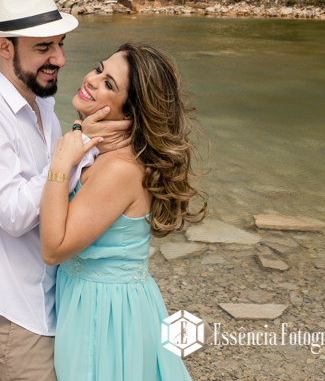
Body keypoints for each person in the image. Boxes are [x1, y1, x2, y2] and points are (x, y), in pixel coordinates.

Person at [0, 0, 128, 381]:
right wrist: (74, 151)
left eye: (60, 44)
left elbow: (61, 191)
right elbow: (13, 214)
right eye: (43, 48)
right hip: (13, 308)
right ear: (3, 47)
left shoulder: (44, 105)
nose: (59, 59)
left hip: (53, 299)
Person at [40, 43, 207, 381]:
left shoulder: (121, 168)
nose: (91, 79)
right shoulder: (101, 149)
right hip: (92, 301)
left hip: (107, 315)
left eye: (109, 84)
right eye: (99, 69)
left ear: (131, 112)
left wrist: (59, 163)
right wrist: (78, 134)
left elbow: (53, 248)